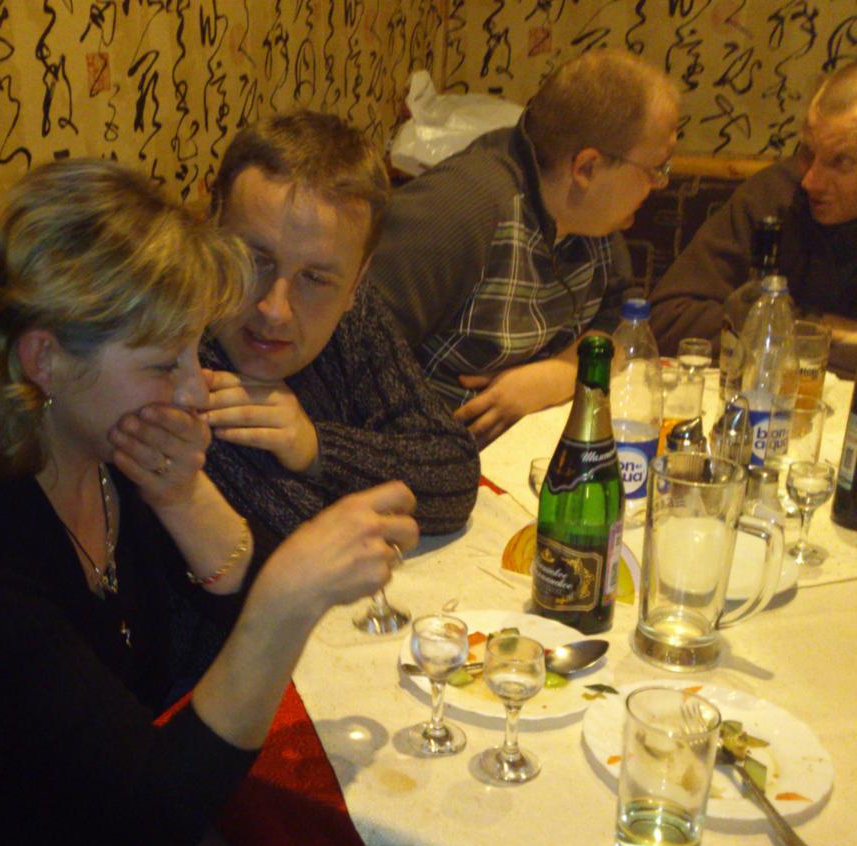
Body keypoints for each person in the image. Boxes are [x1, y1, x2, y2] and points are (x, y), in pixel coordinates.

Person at [0, 160, 418, 846]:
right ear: (45, 358)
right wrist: (288, 599)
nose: (193, 390)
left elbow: (231, 608)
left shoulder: (103, 449)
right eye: (164, 363)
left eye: (192, 351)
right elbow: (160, 804)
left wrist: (186, 499)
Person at [367, 49, 680, 447]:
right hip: (425, 455)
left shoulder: (592, 220)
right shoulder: (461, 212)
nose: (659, 185)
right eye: (655, 170)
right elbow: (349, 358)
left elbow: (625, 321)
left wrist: (560, 374)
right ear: (586, 168)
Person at [199, 110, 480, 539]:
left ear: (356, 283)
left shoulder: (354, 314)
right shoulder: (172, 358)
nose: (275, 310)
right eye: (254, 260)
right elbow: (301, 540)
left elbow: (454, 474)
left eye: (314, 279)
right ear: (210, 230)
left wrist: (316, 448)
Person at [648, 61, 857, 372]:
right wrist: (817, 328)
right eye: (808, 152)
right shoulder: (776, 197)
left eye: (841, 162)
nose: (811, 181)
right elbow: (668, 319)